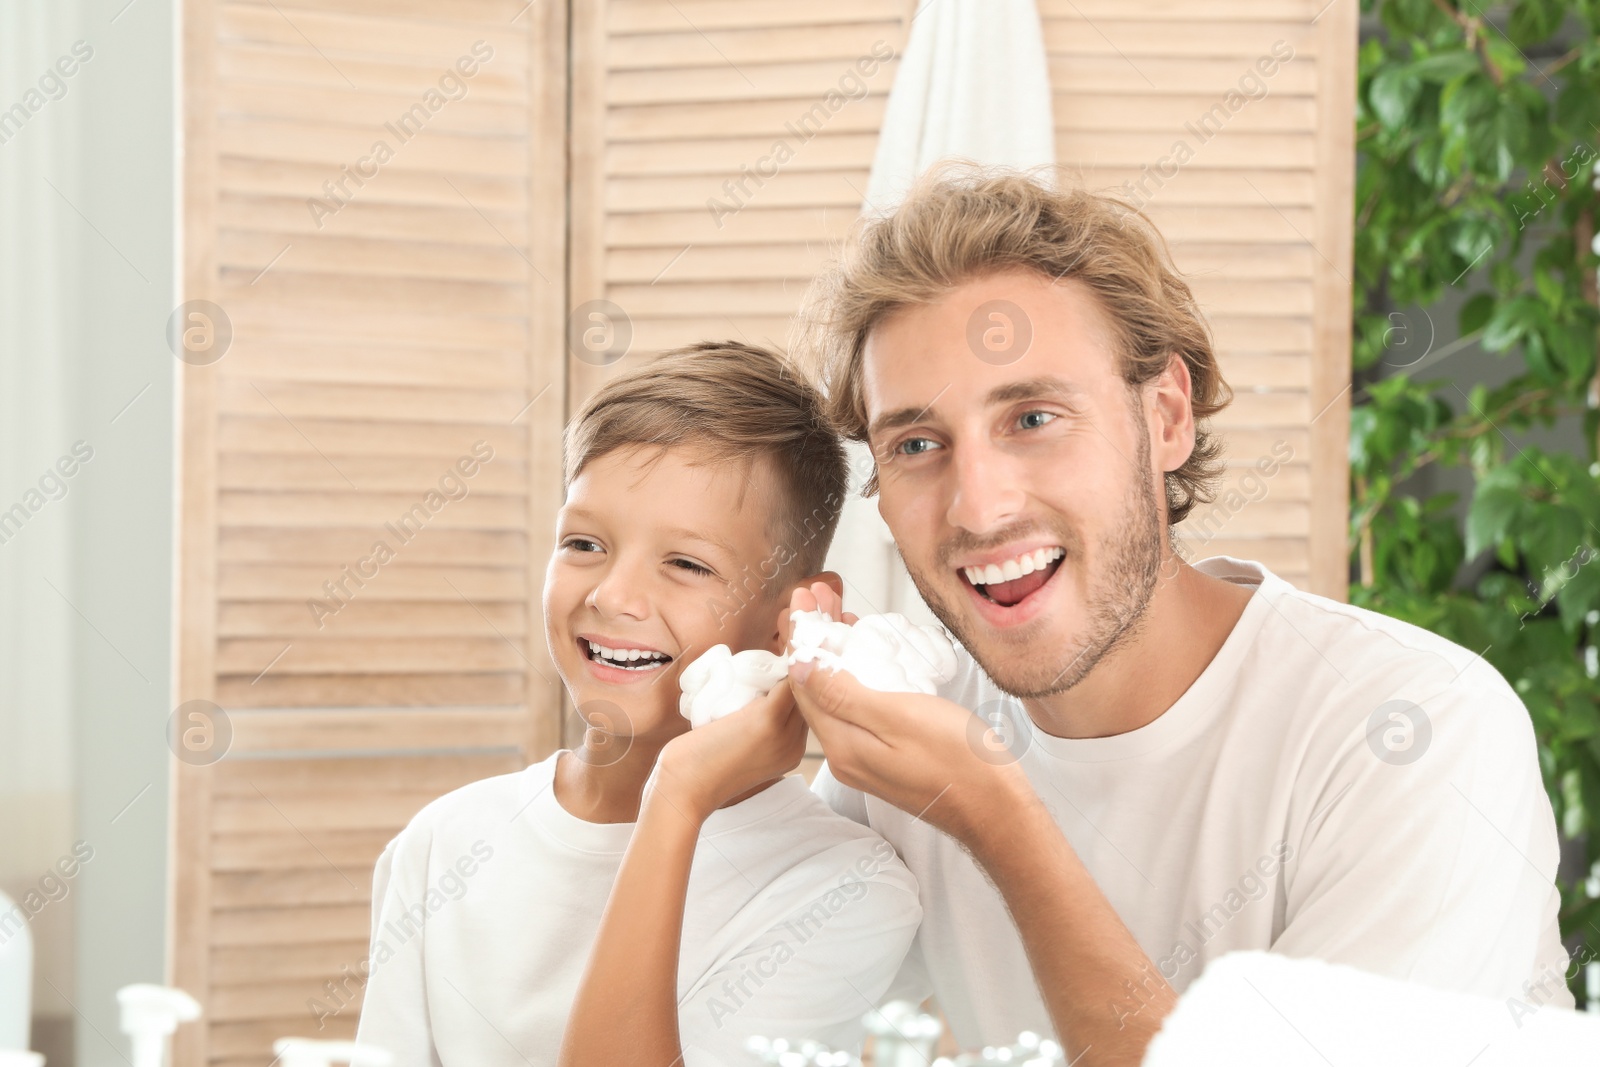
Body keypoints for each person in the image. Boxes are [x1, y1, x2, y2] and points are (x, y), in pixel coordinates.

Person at [788, 166, 1572, 1066]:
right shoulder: (910, 735)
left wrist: (997, 817)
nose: (977, 506)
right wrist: (721, 778)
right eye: (917, 445)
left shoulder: (1415, 729)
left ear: (1165, 416)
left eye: (1033, 416)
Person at [355, 342, 921, 1066]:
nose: (611, 595)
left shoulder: (843, 889)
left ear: (793, 618)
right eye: (584, 542)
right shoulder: (442, 844)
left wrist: (677, 798)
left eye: (686, 563)